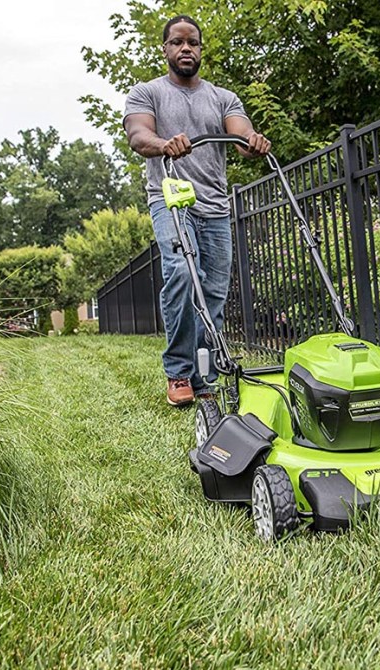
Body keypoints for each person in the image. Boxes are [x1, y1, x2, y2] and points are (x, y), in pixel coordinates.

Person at [123, 15, 271, 407]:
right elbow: (139, 136)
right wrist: (163, 143)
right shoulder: (146, 93)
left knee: (214, 292)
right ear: (166, 49)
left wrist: (251, 141)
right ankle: (177, 371)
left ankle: (205, 376)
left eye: (193, 43)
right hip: (170, 199)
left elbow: (239, 134)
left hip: (216, 206)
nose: (185, 48)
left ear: (201, 49)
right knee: (180, 275)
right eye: (177, 42)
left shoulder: (223, 98)